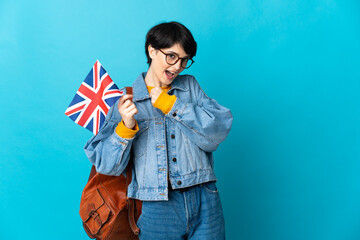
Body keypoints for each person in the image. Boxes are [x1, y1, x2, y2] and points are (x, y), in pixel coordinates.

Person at [84, 21, 233, 240]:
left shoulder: (189, 87)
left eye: (184, 60)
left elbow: (218, 130)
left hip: (205, 198)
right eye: (171, 56)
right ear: (152, 50)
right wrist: (125, 127)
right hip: (156, 207)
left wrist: (173, 106)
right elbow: (106, 165)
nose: (177, 67)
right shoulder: (126, 100)